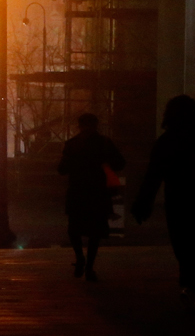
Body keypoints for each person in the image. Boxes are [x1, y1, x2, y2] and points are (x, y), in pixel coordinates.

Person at [131, 95, 195, 299]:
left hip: (179, 202)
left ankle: (191, 284)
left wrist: (143, 203)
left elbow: (153, 175)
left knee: (184, 245)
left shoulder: (167, 142)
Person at [57, 112, 125, 281]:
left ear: (79, 126)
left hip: (77, 191)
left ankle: (80, 258)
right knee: (95, 231)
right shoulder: (105, 143)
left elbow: (61, 169)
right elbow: (120, 163)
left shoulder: (72, 144)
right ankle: (90, 267)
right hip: (98, 192)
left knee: (74, 228)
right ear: (96, 125)